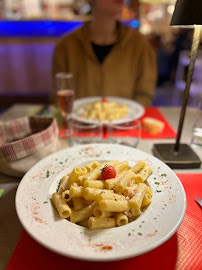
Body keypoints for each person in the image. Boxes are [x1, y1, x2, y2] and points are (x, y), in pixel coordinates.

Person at [52, 0, 157, 107]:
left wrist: (125, 115)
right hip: (78, 122)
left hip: (126, 121)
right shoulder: (66, 46)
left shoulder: (140, 45)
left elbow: (145, 94)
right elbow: (58, 94)